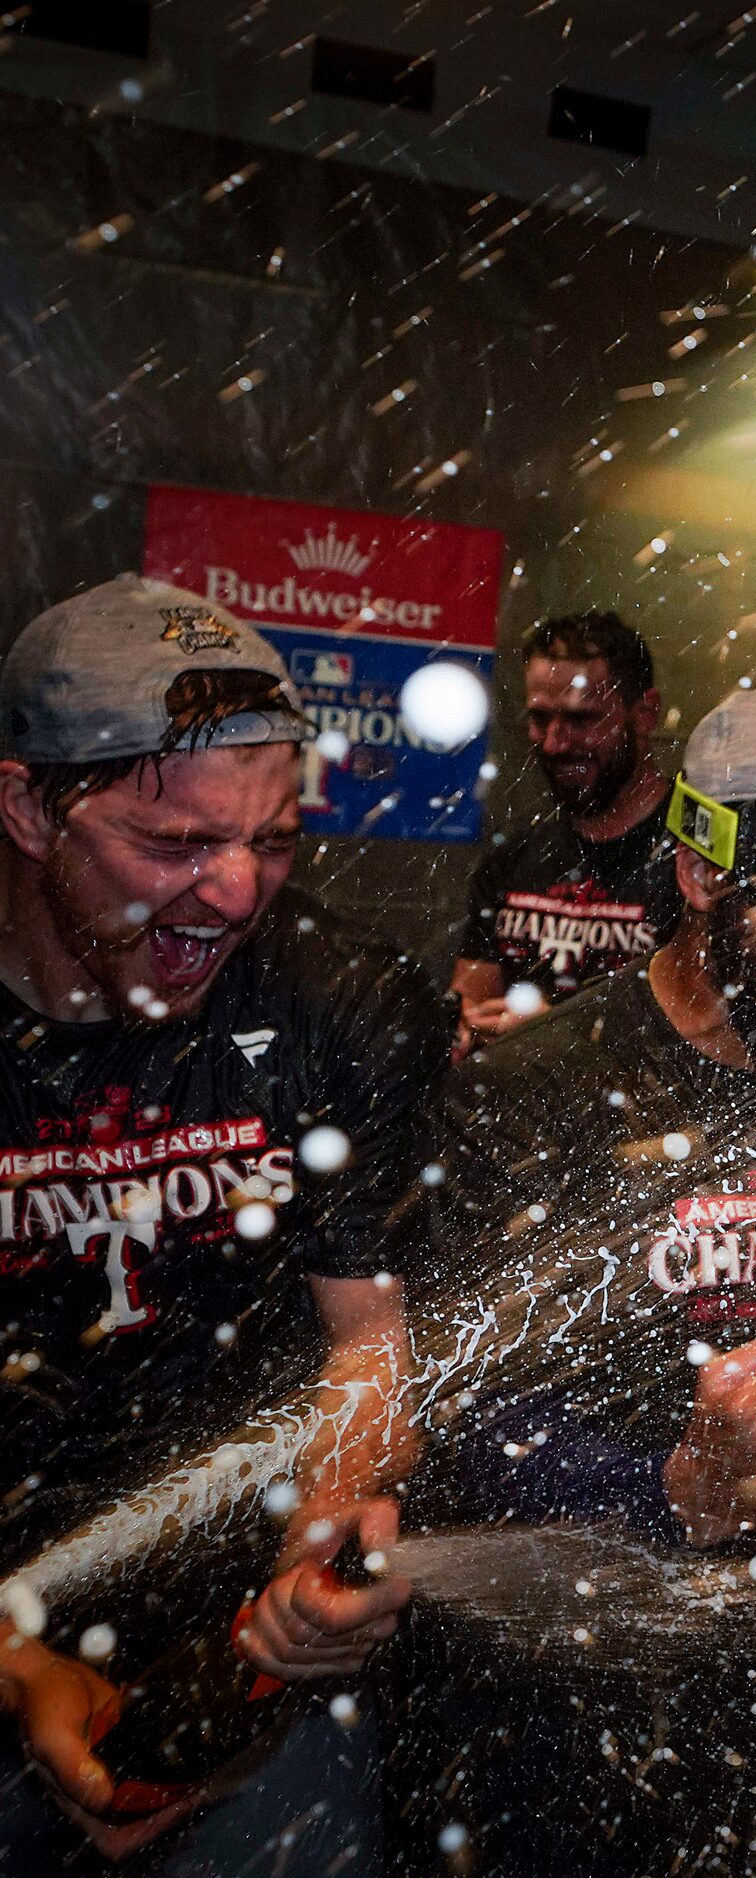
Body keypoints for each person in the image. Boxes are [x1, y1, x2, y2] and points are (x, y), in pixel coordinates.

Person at [383, 678, 756, 1877]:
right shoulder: (540, 1094)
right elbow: (453, 1421)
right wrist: (670, 1487)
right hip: (599, 1732)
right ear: (698, 874)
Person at [0, 577, 441, 1871]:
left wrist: (326, 1543)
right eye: (176, 842)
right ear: (29, 806)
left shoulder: (336, 999)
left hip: (244, 1668)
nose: (238, 889)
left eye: (275, 838)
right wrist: (17, 1665)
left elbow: (368, 1338)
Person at [451, 610, 677, 1054]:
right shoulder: (511, 861)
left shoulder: (696, 858)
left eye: (581, 719)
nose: (555, 743)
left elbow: (708, 1017)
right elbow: (468, 1011)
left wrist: (555, 1032)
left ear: (645, 713)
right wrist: (466, 1031)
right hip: (521, 1113)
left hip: (647, 1117)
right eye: (541, 718)